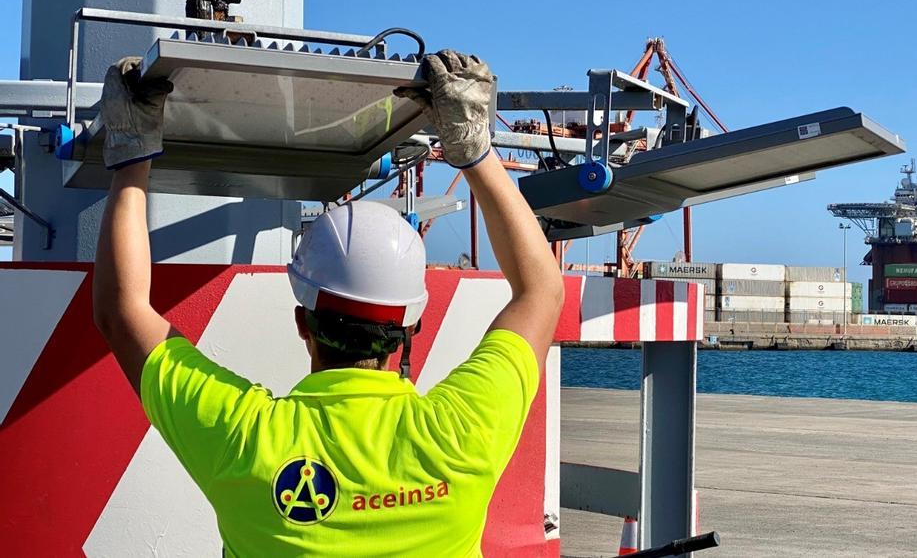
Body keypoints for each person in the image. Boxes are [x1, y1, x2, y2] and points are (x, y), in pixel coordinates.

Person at [91, 51, 564, 556]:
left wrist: (131, 152)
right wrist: (473, 147)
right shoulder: (460, 433)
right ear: (411, 328)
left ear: (303, 323)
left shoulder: (248, 439)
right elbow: (542, 291)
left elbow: (123, 312)